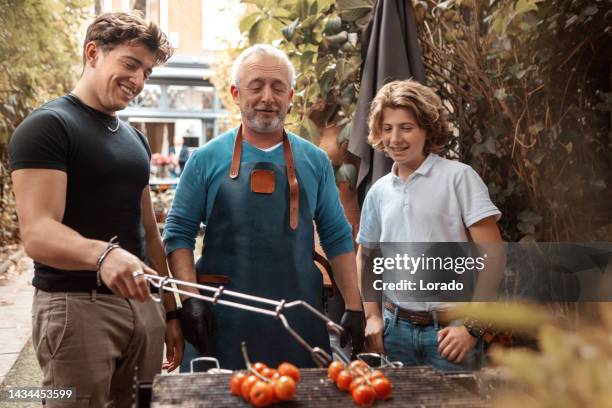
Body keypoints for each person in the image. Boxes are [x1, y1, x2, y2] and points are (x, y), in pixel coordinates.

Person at [9, 11, 183, 406]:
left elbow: (149, 234)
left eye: (147, 72)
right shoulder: (49, 126)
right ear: (93, 53)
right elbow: (37, 233)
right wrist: (104, 254)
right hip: (75, 308)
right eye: (130, 64)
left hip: (143, 307)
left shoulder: (136, 139)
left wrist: (171, 313)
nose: (138, 81)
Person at [163, 44, 365, 370]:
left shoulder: (315, 161)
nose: (267, 97)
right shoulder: (204, 159)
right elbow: (178, 235)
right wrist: (189, 302)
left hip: (298, 319)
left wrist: (355, 306)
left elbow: (337, 236)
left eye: (278, 87)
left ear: (290, 96)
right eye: (256, 86)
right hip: (219, 318)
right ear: (235, 92)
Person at [357, 79, 504, 371]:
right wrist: (372, 316)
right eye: (387, 128)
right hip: (394, 331)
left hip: (451, 332)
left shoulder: (459, 178)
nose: (395, 138)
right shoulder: (378, 192)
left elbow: (494, 255)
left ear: (427, 128)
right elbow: (367, 255)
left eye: (406, 128)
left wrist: (472, 329)